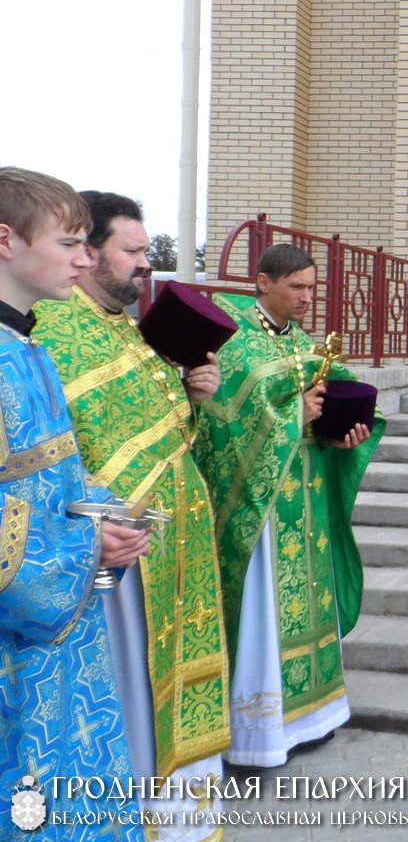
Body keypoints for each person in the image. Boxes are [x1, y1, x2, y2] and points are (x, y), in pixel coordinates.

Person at [34, 191, 231, 838]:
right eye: (136, 250)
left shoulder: (126, 329)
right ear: (90, 254)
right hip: (114, 560)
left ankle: (179, 818)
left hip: (170, 549)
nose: (148, 264)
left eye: (149, 250)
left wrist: (191, 395)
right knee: (128, 698)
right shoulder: (55, 332)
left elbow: (166, 435)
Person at [194, 243, 384, 767]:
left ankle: (312, 716)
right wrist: (290, 416)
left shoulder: (303, 343)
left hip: (309, 494)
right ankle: (262, 729)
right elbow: (221, 424)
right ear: (263, 283)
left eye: (311, 287)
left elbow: (324, 412)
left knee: (309, 599)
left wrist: (341, 433)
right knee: (267, 608)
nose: (307, 297)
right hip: (264, 505)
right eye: (297, 287)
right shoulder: (236, 342)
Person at [0, 167, 148, 840]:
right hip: (16, 642)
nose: (85, 259)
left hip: (62, 633)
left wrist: (107, 520)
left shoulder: (31, 347)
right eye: (69, 243)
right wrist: (85, 546)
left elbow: (59, 476)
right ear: (6, 241)